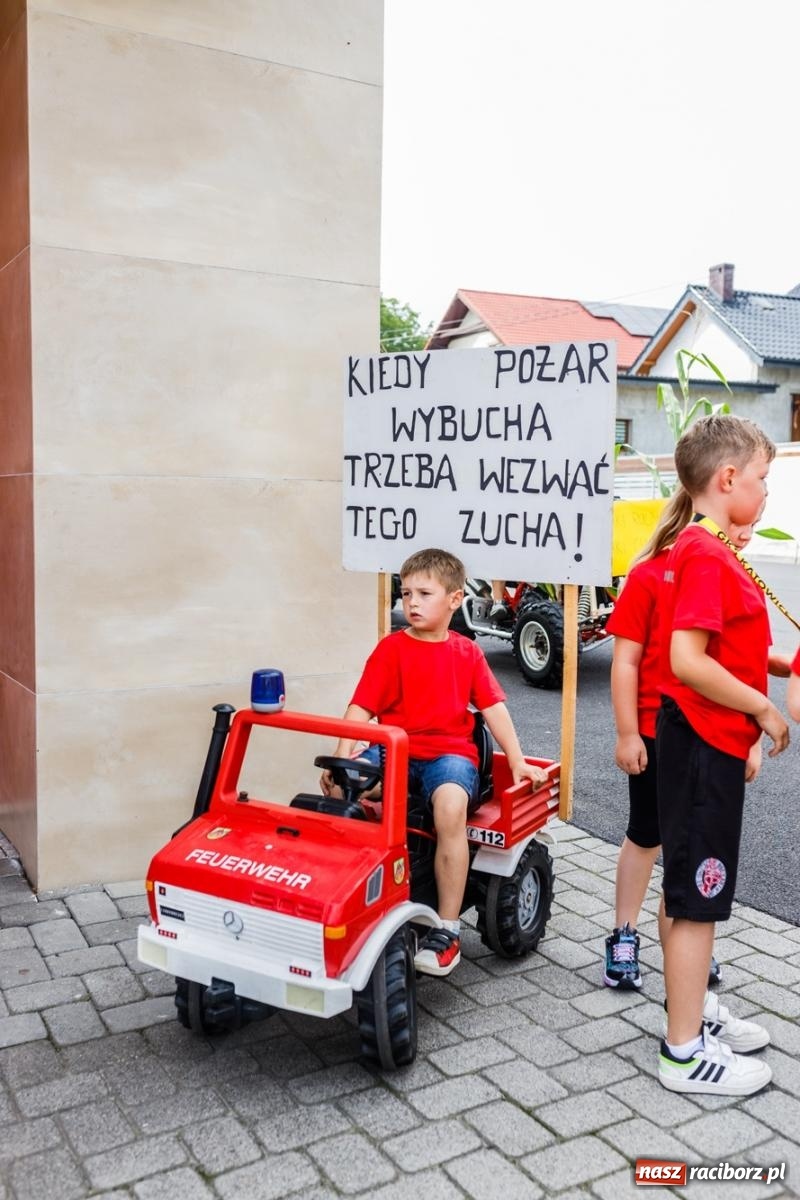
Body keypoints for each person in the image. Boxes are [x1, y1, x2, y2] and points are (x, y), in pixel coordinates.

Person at [320, 547, 547, 976]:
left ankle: (447, 928)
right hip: (394, 749)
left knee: (448, 809)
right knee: (344, 787)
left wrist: (515, 761)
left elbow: (494, 708)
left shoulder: (466, 653)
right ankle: (343, 895)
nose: (412, 602)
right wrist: (340, 757)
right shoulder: (391, 650)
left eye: (425, 593)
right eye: (406, 594)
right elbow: (360, 710)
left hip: (449, 755)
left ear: (455, 599)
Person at [655, 414, 789, 1097]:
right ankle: (683, 1054)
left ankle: (692, 1022)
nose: (767, 493)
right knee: (698, 897)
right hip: (703, 743)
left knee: (691, 894)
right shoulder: (706, 554)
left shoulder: (706, 547)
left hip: (704, 741)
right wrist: (762, 709)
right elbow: (687, 660)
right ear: (728, 478)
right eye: (763, 479)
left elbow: (726, 646)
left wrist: (777, 670)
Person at [603, 494, 762, 990]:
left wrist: (750, 740)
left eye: (752, 531)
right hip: (656, 733)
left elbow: (740, 666)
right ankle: (623, 933)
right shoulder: (651, 573)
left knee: (688, 850)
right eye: (740, 527)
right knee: (647, 834)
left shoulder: (727, 572)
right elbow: (626, 660)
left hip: (708, 737)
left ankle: (684, 949)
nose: (745, 538)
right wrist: (628, 732)